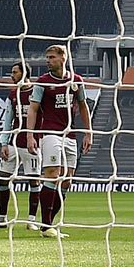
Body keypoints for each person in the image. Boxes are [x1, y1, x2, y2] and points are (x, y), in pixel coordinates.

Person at [24, 44, 92, 239]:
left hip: (70, 135)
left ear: (63, 58)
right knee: (52, 175)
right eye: (47, 57)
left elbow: (83, 106)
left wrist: (88, 133)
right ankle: (46, 226)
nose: (48, 61)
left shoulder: (76, 80)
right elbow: (33, 109)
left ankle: (48, 223)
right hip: (50, 133)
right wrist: (30, 135)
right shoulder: (43, 81)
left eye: (52, 57)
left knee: (67, 181)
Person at [0, 61, 42, 230]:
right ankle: (2, 218)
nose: (12, 75)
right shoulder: (13, 94)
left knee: (34, 181)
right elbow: (8, 119)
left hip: (32, 144)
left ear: (25, 73)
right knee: (3, 177)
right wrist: (4, 143)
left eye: (15, 72)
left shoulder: (37, 91)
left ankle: (31, 220)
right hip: (13, 143)